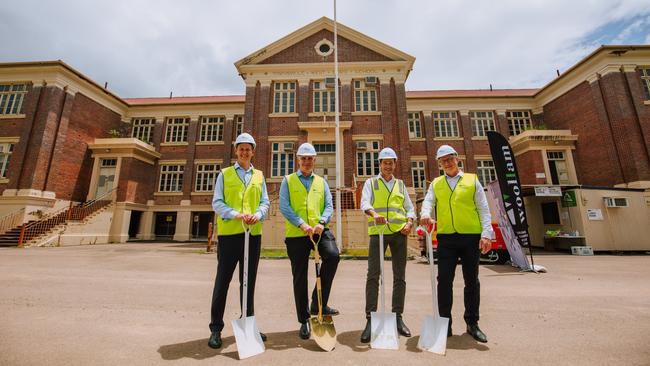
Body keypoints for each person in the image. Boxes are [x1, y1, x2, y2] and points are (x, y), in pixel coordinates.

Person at [420, 144, 494, 343]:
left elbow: (483, 209)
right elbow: (428, 201)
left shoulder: (472, 180)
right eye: (443, 160)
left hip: (471, 237)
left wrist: (487, 234)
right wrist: (425, 214)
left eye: (450, 158)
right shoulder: (436, 183)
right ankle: (445, 324)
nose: (447, 162)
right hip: (446, 239)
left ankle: (472, 323)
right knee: (444, 281)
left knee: (472, 280)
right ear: (439, 164)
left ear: (457, 159)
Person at [208, 133, 270, 349]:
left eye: (248, 148)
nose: (244, 152)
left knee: (248, 282)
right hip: (230, 236)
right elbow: (217, 203)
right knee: (222, 282)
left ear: (253, 151)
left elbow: (264, 202)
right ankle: (216, 328)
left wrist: (258, 215)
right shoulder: (224, 175)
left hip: (252, 236)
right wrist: (237, 215)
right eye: (241, 148)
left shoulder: (259, 176)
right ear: (236, 151)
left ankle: (248, 325)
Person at [279, 142, 340, 340]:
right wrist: (301, 225)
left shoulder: (321, 182)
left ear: (315, 160)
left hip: (320, 231)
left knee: (333, 256)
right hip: (298, 234)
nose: (306, 162)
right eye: (303, 158)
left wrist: (322, 222)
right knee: (299, 276)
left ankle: (318, 303)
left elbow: (329, 206)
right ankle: (304, 319)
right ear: (298, 160)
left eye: (310, 158)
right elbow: (284, 206)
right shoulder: (288, 180)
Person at [359, 147, 416, 343]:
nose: (388, 165)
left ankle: (397, 317)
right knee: (373, 275)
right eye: (385, 162)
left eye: (391, 162)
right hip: (378, 233)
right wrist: (374, 214)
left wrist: (409, 222)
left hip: (400, 233)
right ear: (380, 164)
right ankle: (370, 319)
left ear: (395, 164)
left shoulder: (400, 185)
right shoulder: (371, 183)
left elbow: (409, 207)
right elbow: (364, 203)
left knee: (400, 276)